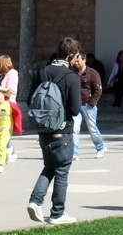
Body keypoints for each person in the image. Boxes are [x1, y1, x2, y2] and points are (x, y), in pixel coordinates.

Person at [27, 37, 82, 225]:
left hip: (43, 129)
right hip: (62, 130)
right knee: (61, 171)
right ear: (70, 55)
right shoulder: (71, 77)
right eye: (76, 56)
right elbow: (75, 109)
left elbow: (30, 100)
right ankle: (58, 213)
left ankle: (35, 201)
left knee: (49, 166)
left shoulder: (41, 72)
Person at [72, 52, 106, 160]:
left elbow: (98, 90)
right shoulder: (73, 73)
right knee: (74, 128)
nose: (76, 63)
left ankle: (100, 147)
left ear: (84, 60)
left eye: (78, 61)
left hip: (88, 105)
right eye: (75, 61)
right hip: (76, 105)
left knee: (92, 128)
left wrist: (92, 102)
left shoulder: (92, 73)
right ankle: (74, 152)